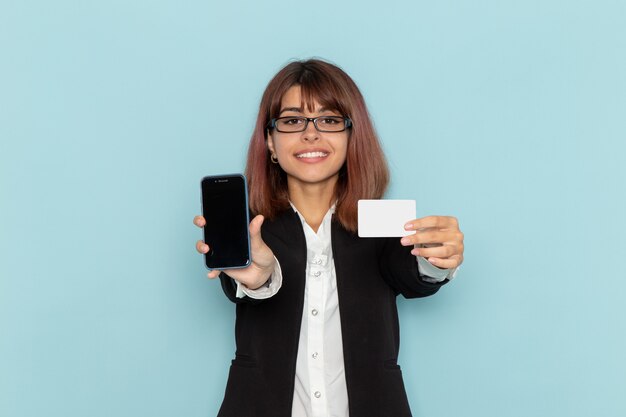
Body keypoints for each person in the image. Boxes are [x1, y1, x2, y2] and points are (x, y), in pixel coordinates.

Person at [193, 59, 464, 417]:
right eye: (292, 121)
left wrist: (437, 258)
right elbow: (247, 282)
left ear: (353, 137)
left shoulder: (380, 220)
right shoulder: (250, 229)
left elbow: (410, 272)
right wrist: (258, 276)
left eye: (330, 120)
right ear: (270, 142)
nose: (311, 134)